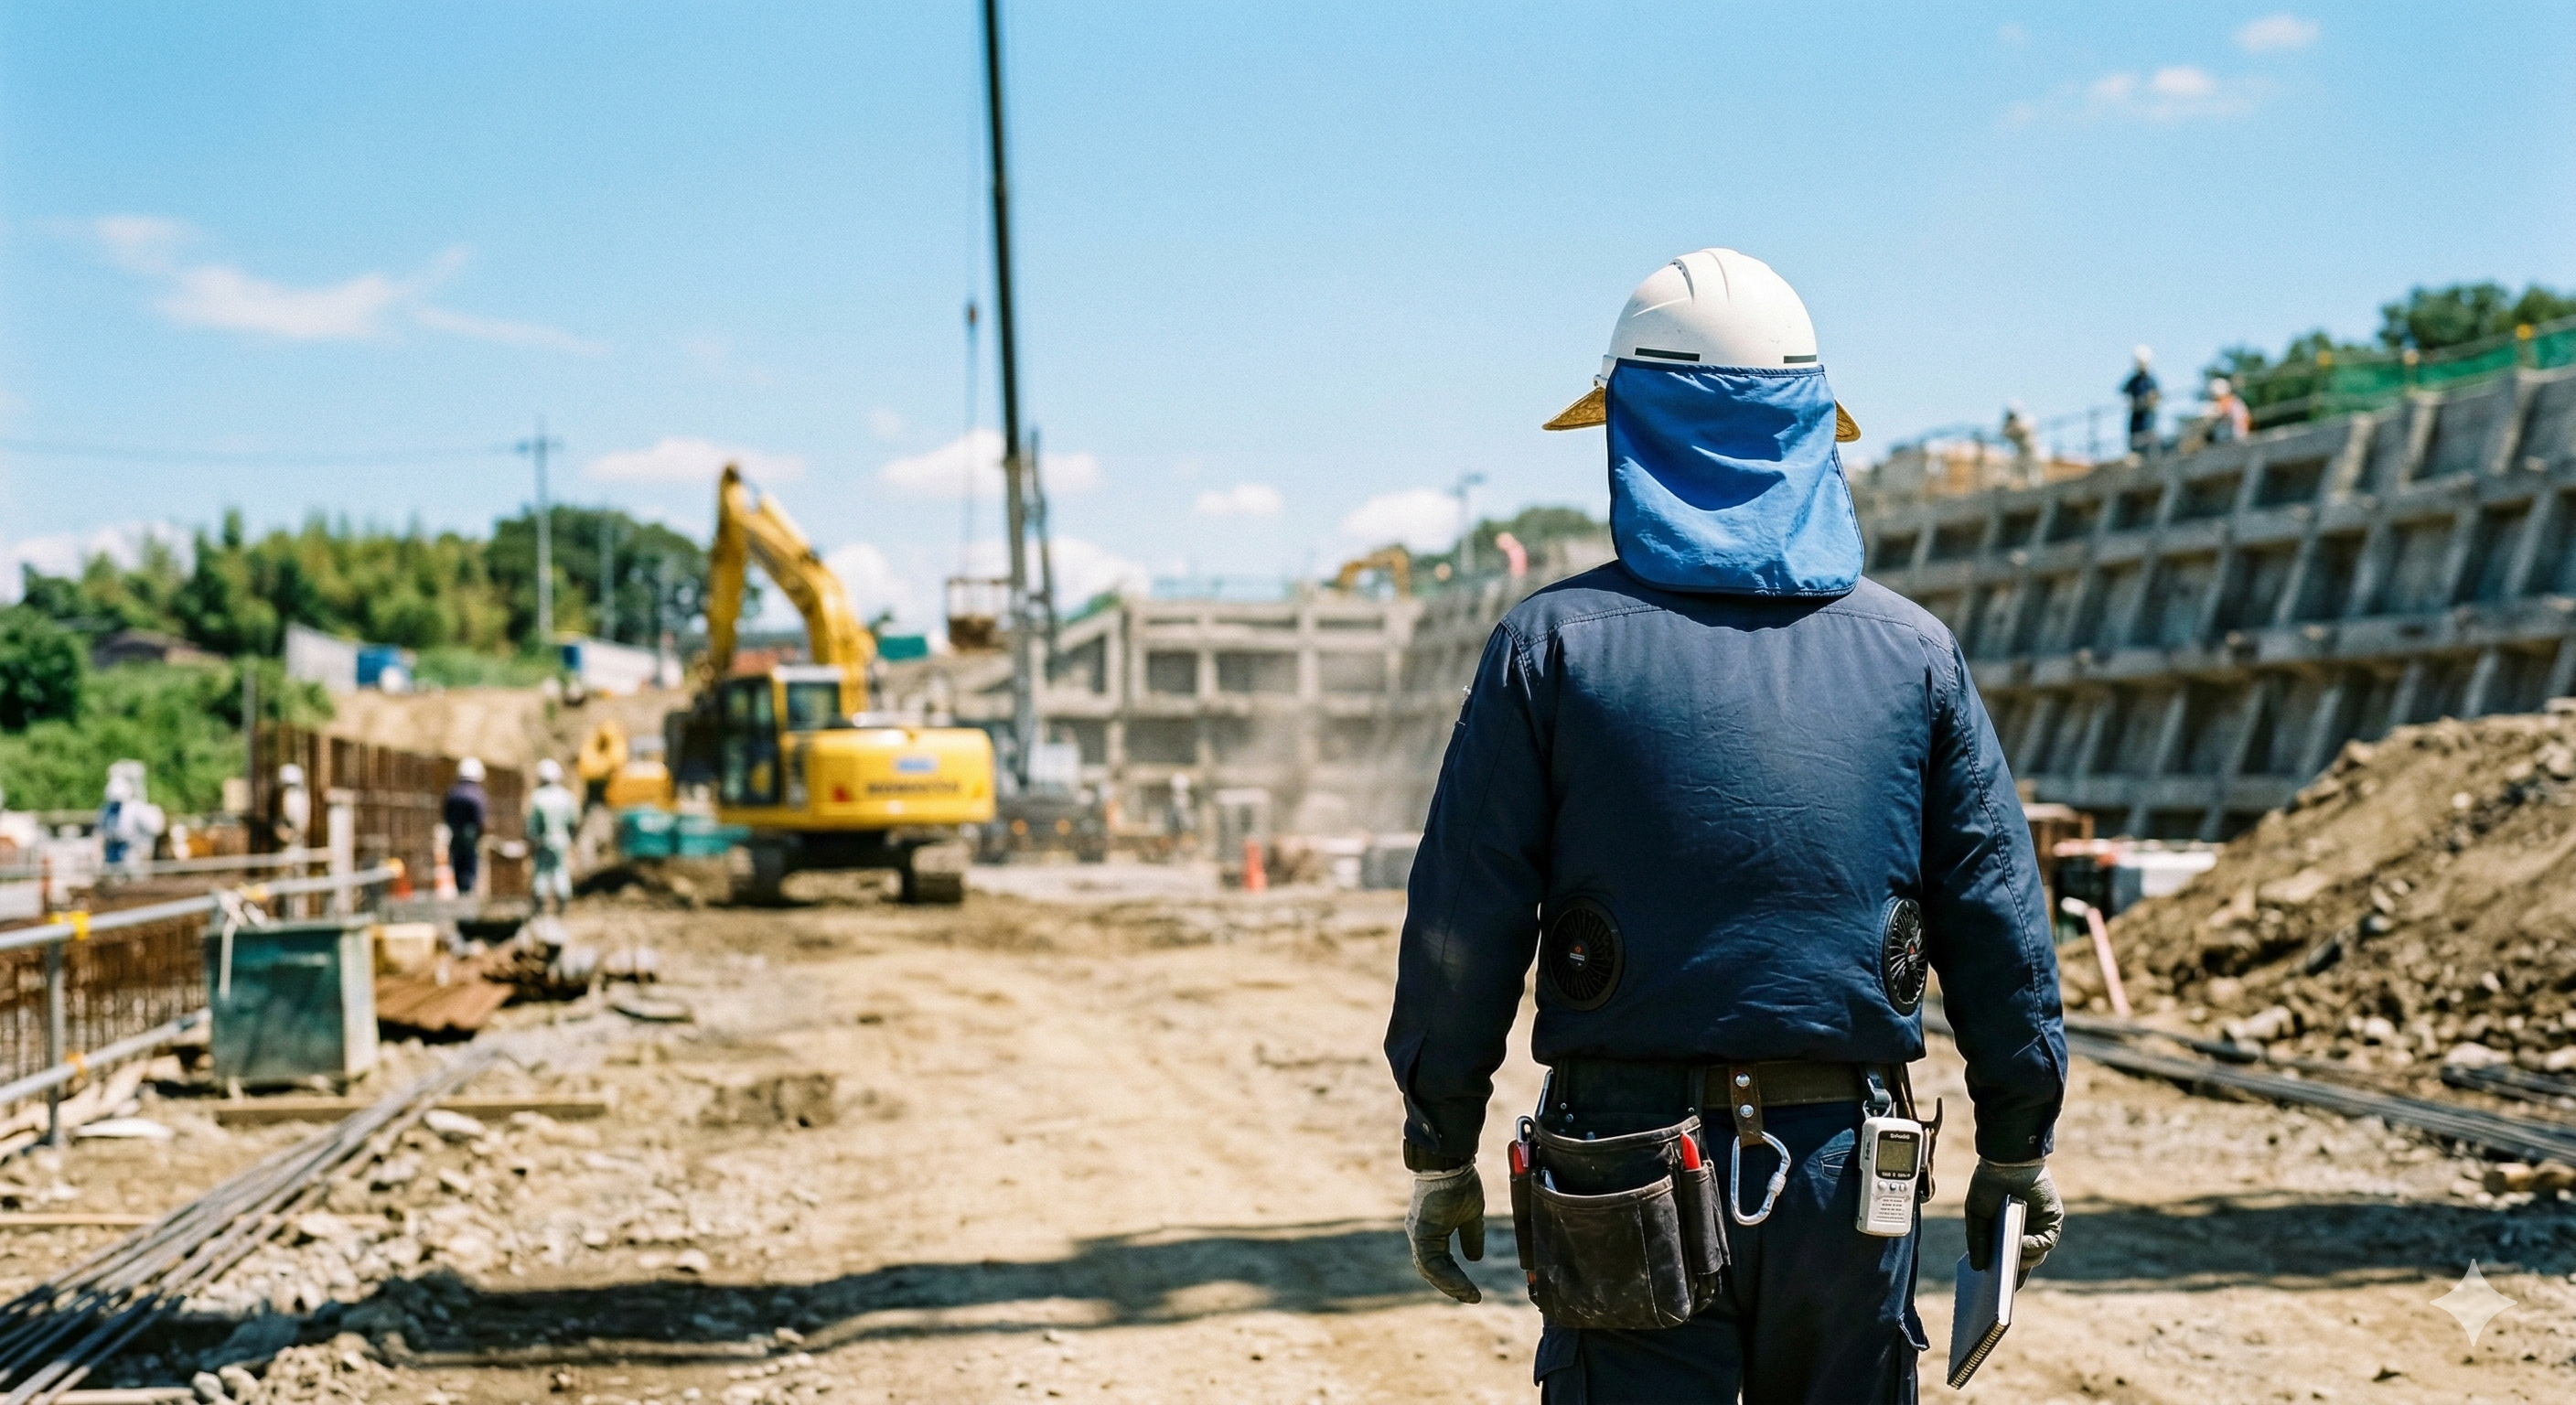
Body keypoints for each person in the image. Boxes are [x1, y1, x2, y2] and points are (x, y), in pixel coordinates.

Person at [1388, 247, 2068, 1403]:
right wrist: (2016, 1142)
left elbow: (1465, 919)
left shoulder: (1549, 647)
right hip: (1848, 1174)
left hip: (1621, 1165)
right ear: (1811, 432)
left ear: (1626, 429)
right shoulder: (1911, 654)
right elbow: (1998, 918)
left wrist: (1440, 1145)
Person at [526, 757, 579, 917]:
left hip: (544, 842)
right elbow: (574, 821)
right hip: (561, 841)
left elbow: (533, 825)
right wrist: (570, 840)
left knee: (541, 873)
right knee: (560, 871)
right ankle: (562, 905)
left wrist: (532, 842)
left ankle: (540, 908)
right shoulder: (567, 797)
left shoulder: (537, 797)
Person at [443, 757, 488, 898]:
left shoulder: (452, 793)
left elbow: (446, 816)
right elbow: (481, 821)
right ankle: (467, 903)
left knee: (458, 870)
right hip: (471, 840)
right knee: (470, 873)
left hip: (455, 838)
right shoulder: (477, 794)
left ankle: (461, 897)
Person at [2121, 345, 2160, 457]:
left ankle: (2148, 455)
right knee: (2134, 438)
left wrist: (2150, 400)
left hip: (2147, 415)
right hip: (2136, 416)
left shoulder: (2150, 380)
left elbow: (2156, 395)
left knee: (2147, 436)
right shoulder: (2133, 380)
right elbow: (2124, 391)